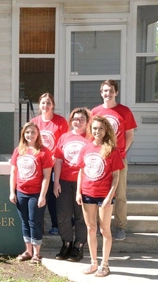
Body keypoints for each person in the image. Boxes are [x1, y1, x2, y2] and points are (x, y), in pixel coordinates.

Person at [76, 115, 124, 277]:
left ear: (106, 131)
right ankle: (93, 263)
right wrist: (78, 192)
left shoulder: (111, 149)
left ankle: (105, 264)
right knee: (90, 228)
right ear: (90, 129)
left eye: (101, 128)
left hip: (105, 196)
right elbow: (81, 172)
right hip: (87, 193)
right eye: (95, 128)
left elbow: (116, 176)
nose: (97, 131)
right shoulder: (86, 148)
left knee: (105, 230)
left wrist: (110, 196)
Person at [91, 79, 137, 240]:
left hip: (119, 160)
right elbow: (91, 135)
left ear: (116, 92)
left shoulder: (124, 111)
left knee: (120, 194)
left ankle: (120, 226)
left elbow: (130, 135)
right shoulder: (95, 112)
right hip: (99, 160)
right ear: (101, 92)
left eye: (111, 90)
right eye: (105, 90)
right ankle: (98, 224)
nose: (108, 94)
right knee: (98, 193)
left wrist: (121, 152)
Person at [9, 122, 53, 265]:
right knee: (25, 222)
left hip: (36, 193)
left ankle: (36, 253)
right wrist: (12, 192)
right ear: (23, 134)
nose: (30, 135)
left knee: (35, 222)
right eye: (27, 132)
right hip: (21, 192)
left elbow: (47, 176)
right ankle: (28, 251)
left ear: (38, 134)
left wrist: (42, 195)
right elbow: (13, 172)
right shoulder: (19, 150)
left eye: (33, 132)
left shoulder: (44, 152)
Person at [53, 108, 91, 262]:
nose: (78, 121)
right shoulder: (64, 138)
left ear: (87, 122)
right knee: (63, 215)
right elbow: (58, 160)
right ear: (71, 121)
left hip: (84, 182)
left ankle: (79, 245)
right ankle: (66, 243)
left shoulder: (90, 138)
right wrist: (56, 182)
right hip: (64, 181)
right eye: (75, 118)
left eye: (82, 119)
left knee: (81, 216)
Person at [31, 93, 68, 235]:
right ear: (39, 105)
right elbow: (31, 143)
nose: (45, 106)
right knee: (39, 195)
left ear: (53, 105)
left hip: (55, 166)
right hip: (39, 166)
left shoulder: (61, 122)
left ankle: (55, 225)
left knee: (53, 196)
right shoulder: (35, 122)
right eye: (43, 103)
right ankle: (38, 227)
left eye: (48, 103)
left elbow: (64, 143)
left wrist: (53, 158)